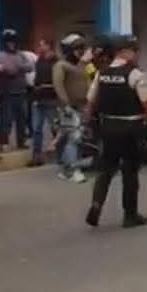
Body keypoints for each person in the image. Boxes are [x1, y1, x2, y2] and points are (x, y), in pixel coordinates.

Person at [84, 36, 147, 228]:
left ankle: (96, 204)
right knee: (130, 171)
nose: (136, 55)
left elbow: (90, 103)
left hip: (108, 127)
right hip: (131, 129)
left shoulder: (101, 74)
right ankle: (130, 215)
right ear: (126, 52)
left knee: (106, 169)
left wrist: (88, 125)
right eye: (134, 51)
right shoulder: (136, 74)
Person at [53, 34, 90, 183]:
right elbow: (58, 85)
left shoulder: (83, 65)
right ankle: (72, 171)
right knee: (74, 138)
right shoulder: (61, 65)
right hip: (68, 107)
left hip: (83, 106)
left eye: (82, 48)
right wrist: (66, 104)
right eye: (77, 48)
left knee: (78, 139)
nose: (80, 51)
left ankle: (66, 168)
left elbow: (89, 81)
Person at [0, 29, 33, 150]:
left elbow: (30, 66)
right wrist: (10, 69)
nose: (11, 44)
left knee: (22, 119)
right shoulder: (0, 55)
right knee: (6, 119)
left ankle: (21, 142)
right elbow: (1, 69)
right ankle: (4, 143)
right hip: (7, 92)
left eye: (13, 41)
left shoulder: (21, 55)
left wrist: (18, 67)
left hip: (21, 91)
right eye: (8, 42)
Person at [30, 38, 58, 166]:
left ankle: (61, 153)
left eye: (42, 45)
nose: (40, 48)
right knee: (37, 129)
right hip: (38, 98)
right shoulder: (39, 60)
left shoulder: (56, 61)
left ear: (49, 46)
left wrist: (46, 86)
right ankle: (36, 156)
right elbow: (37, 78)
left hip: (51, 98)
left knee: (55, 127)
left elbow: (58, 81)